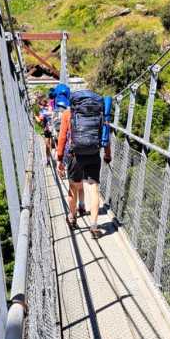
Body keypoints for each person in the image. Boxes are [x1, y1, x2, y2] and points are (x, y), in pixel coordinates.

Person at [57, 89, 110, 237]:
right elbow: (106, 133)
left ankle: (72, 218)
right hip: (93, 154)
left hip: (75, 156)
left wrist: (59, 159)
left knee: (73, 188)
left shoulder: (68, 114)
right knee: (93, 189)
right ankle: (94, 226)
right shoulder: (99, 112)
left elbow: (62, 138)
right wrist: (107, 154)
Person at [35, 97, 54, 164]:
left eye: (40, 105)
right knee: (49, 143)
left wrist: (35, 116)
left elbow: (39, 120)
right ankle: (49, 158)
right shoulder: (50, 107)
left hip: (48, 128)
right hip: (50, 128)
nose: (39, 107)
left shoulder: (44, 110)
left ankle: (49, 159)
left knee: (47, 144)